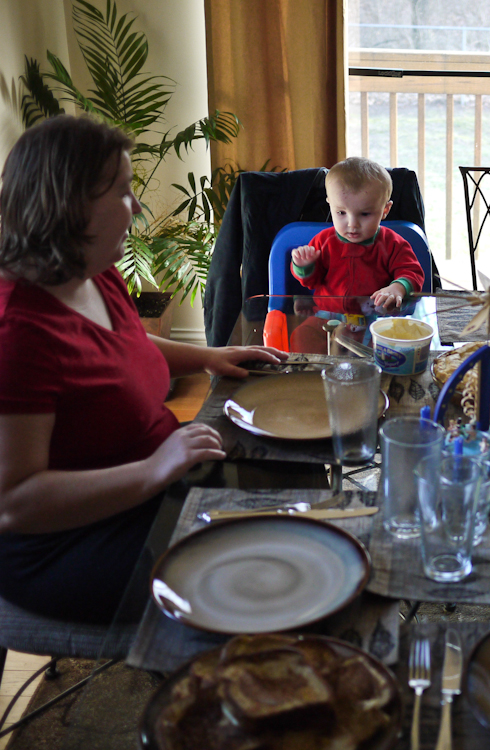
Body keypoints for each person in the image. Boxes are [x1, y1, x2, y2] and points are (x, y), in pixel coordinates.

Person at [0, 115, 287, 624]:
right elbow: (15, 502)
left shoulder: (92, 268)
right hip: (67, 542)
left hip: (148, 479)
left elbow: (121, 344)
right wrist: (154, 470)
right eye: (122, 191)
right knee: (262, 577)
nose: (135, 208)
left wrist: (207, 357)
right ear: (71, 206)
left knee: (292, 490)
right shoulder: (18, 334)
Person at [290, 156, 424, 312]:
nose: (352, 224)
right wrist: (304, 266)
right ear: (330, 206)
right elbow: (311, 282)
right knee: (299, 335)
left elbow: (413, 273)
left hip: (375, 319)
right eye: (341, 212)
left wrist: (398, 287)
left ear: (385, 210)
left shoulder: (393, 243)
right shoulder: (322, 241)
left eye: (365, 214)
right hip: (328, 316)